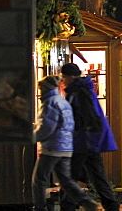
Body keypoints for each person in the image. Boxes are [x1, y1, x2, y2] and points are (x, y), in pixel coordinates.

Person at [59, 63, 120, 211]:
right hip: (89, 140)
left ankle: (68, 206)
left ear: (70, 77)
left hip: (83, 140)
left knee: (71, 175)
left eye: (64, 77)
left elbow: (86, 116)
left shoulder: (79, 92)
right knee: (96, 174)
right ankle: (111, 204)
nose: (63, 81)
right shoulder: (82, 89)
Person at [32, 76, 98, 211]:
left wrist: (32, 137)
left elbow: (47, 128)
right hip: (65, 148)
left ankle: (39, 207)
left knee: (39, 180)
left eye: (40, 89)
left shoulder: (50, 103)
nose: (40, 92)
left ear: (45, 88)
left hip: (52, 148)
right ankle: (88, 203)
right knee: (66, 181)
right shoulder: (62, 102)